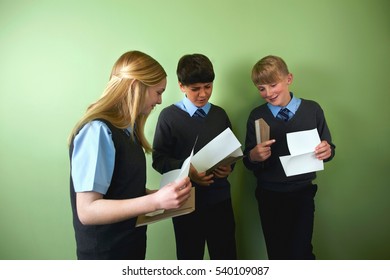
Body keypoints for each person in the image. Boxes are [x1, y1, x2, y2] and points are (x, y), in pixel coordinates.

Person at [68, 50, 192, 260]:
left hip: (129, 248)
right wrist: (155, 202)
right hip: (105, 255)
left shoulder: (128, 133)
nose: (160, 101)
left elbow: (120, 190)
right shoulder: (97, 131)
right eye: (158, 92)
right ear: (136, 87)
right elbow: (87, 211)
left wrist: (157, 195)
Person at [243, 55, 335, 260]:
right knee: (277, 253)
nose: (268, 93)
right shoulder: (256, 116)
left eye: (273, 85)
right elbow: (248, 161)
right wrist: (253, 155)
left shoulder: (312, 110)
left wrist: (327, 151)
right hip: (269, 195)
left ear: (289, 79)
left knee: (301, 252)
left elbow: (329, 148)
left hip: (302, 193)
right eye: (261, 89)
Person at [152, 54, 237, 260]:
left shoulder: (220, 115)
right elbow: (159, 160)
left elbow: (231, 154)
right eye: (195, 88)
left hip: (220, 200)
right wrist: (188, 171)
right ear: (182, 86)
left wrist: (229, 168)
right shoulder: (169, 117)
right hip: (186, 202)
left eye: (208, 86)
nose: (203, 94)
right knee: (189, 258)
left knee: (226, 257)